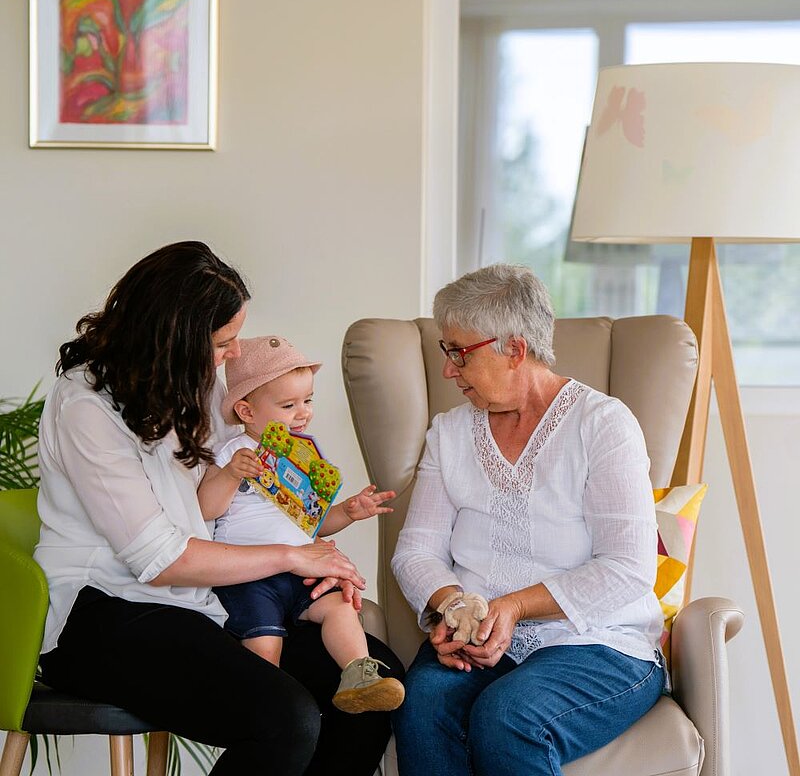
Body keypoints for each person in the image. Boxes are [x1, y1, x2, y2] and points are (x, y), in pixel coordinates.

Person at [33, 240, 403, 776]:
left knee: (376, 683)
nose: (233, 355)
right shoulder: (85, 407)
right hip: (101, 613)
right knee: (285, 718)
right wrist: (291, 557)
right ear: (175, 338)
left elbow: (252, 489)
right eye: (222, 342)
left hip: (200, 599)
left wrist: (321, 560)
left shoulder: (193, 386)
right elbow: (159, 559)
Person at [391, 263, 665, 776]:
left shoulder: (603, 424)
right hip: (477, 640)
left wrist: (515, 606)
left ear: (515, 349)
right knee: (421, 705)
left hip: (598, 642)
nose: (448, 370)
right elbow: (416, 551)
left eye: (459, 352)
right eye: (446, 351)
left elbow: (629, 568)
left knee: (508, 716)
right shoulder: (449, 433)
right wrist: (454, 607)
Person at [197, 335, 405, 714]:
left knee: (341, 607)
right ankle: (267, 704)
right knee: (264, 639)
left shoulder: (302, 457)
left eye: (308, 400)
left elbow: (314, 524)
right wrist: (229, 475)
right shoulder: (235, 452)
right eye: (288, 405)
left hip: (302, 572)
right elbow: (206, 509)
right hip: (249, 575)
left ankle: (359, 675)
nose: (302, 413)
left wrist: (348, 511)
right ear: (246, 411)